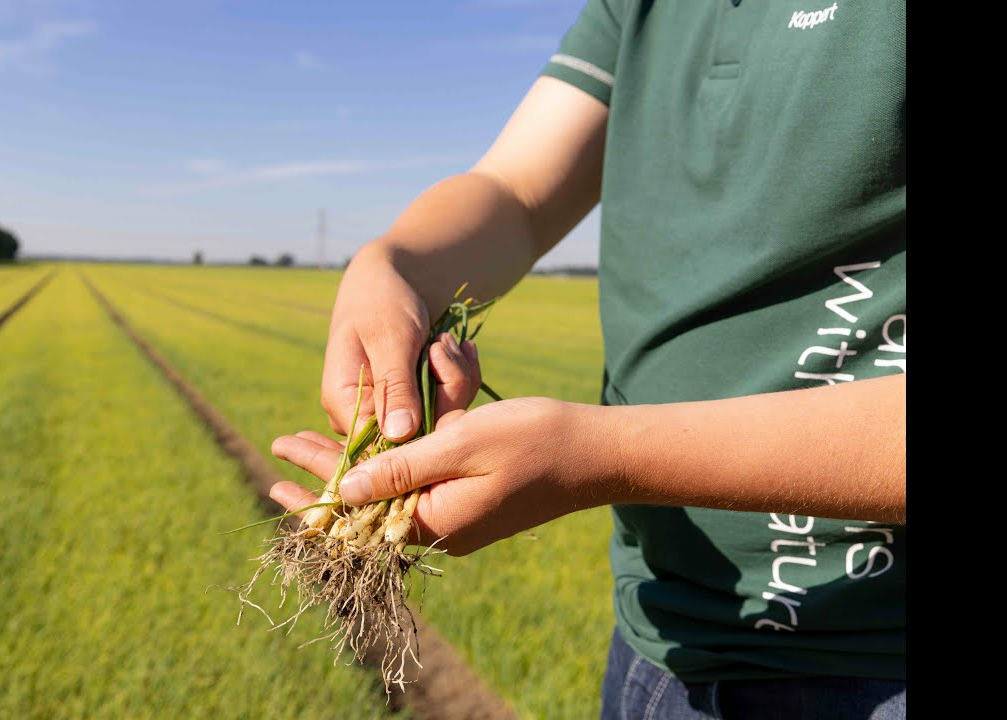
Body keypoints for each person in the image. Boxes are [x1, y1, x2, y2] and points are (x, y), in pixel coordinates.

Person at [269, 1, 905, 717]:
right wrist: (394, 268)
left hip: (877, 668)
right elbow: (517, 194)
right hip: (659, 638)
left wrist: (598, 456)